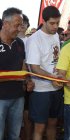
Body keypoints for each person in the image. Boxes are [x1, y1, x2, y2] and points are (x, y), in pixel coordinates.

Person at [26, 6, 63, 140]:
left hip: (56, 87)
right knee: (40, 127)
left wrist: (60, 76)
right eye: (52, 23)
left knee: (53, 123)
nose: (55, 26)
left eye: (57, 23)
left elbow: (56, 60)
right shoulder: (35, 39)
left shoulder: (56, 35)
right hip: (41, 90)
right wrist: (53, 77)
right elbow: (34, 68)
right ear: (44, 21)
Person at [0, 7, 34, 140]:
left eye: (21, 25)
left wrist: (28, 80)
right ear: (5, 23)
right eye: (17, 25)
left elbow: (23, 65)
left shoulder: (20, 42)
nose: (20, 29)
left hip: (18, 97)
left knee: (15, 135)